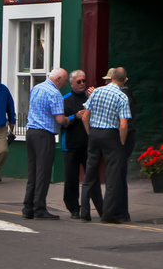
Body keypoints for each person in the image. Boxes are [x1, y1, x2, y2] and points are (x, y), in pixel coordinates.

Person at [80, 66, 131, 223]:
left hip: (95, 133)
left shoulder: (96, 91)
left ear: (112, 77)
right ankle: (108, 215)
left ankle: (85, 213)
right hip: (111, 135)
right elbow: (123, 125)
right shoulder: (122, 97)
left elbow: (85, 116)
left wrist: (90, 133)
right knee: (113, 176)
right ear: (124, 80)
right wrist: (121, 142)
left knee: (89, 174)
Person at [21, 66, 69, 220]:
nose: (65, 84)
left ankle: (28, 207)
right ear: (59, 79)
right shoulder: (55, 93)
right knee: (43, 172)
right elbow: (60, 119)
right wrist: (69, 120)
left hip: (31, 133)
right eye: (65, 81)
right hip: (44, 135)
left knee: (33, 172)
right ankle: (39, 208)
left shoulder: (37, 88)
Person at [62, 69, 103, 220]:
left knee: (92, 177)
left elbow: (99, 113)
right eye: (78, 82)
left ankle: (100, 207)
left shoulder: (91, 97)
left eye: (84, 81)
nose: (82, 84)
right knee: (71, 178)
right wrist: (75, 116)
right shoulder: (66, 99)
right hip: (71, 145)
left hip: (88, 144)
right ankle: (73, 208)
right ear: (72, 83)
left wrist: (93, 98)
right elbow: (61, 122)